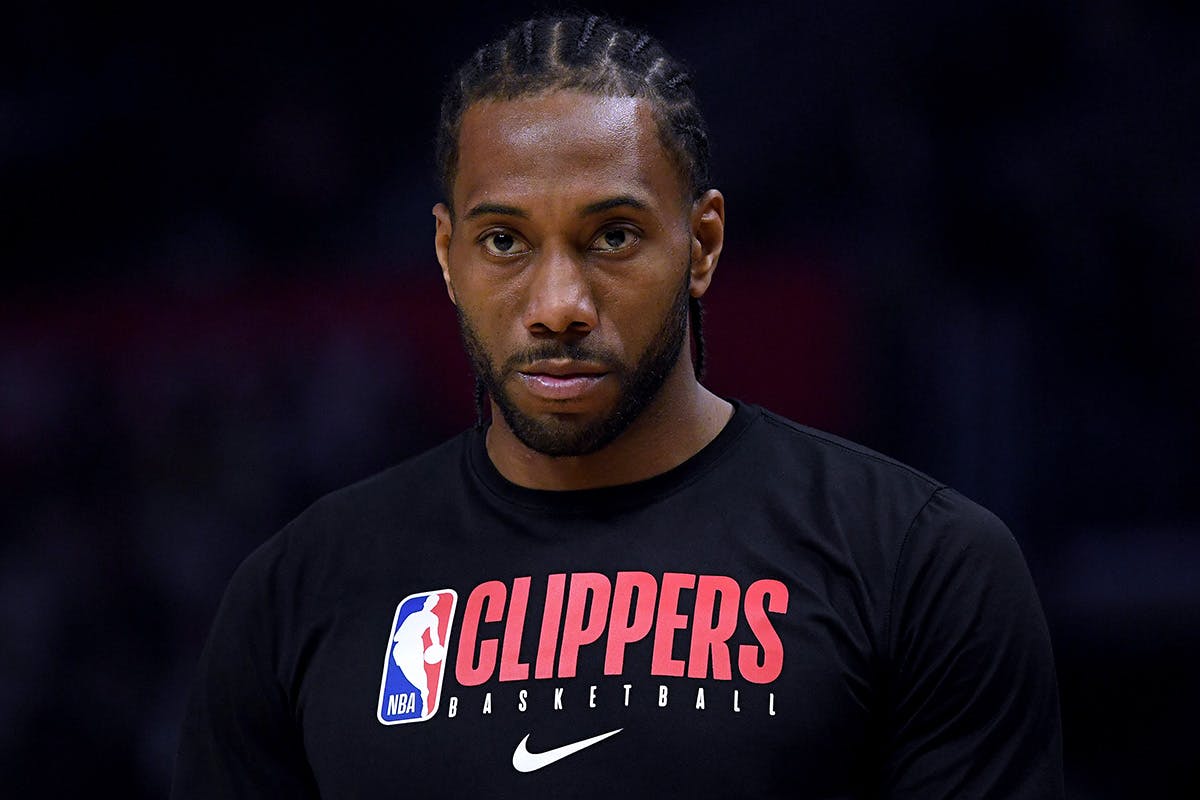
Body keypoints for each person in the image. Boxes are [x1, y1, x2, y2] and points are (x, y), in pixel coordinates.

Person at [171, 13, 1064, 799]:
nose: (559, 302)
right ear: (447, 257)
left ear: (703, 243)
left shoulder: (919, 564)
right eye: (504, 241)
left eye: (613, 235)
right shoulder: (295, 594)